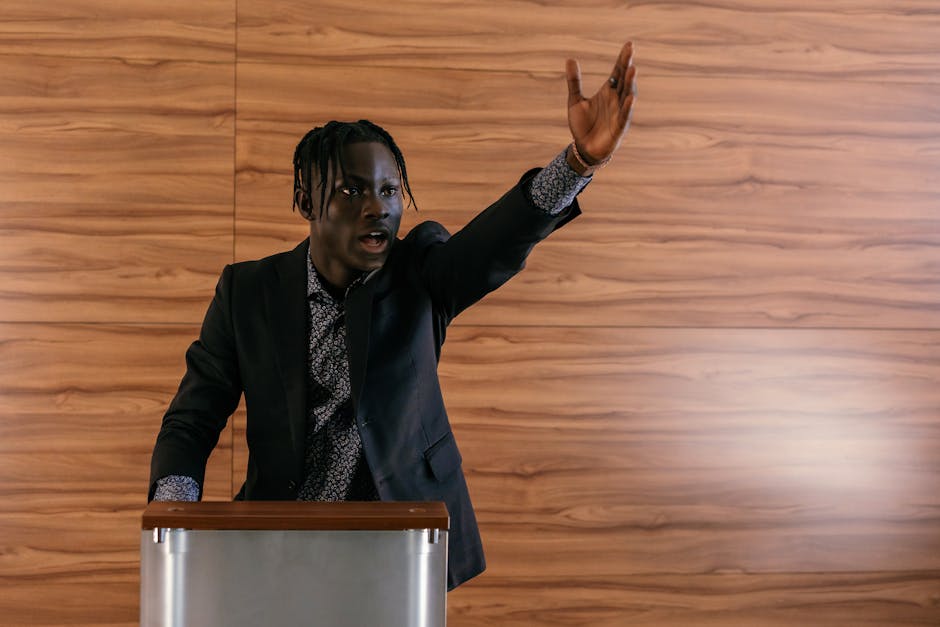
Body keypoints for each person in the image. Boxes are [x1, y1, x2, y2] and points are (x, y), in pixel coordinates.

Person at [149, 41, 637, 590]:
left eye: (388, 190)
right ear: (308, 201)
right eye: (352, 190)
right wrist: (175, 516)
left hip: (401, 543)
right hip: (281, 543)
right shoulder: (247, 292)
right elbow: (192, 419)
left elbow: (491, 246)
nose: (377, 206)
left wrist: (579, 162)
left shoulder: (421, 272)